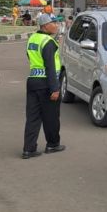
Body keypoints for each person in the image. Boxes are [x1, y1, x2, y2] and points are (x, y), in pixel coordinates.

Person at [22, 14, 65, 159]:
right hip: (46, 83)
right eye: (53, 23)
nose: (56, 25)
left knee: (32, 117)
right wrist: (55, 88)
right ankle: (53, 144)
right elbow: (50, 67)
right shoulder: (48, 42)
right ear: (45, 26)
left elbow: (29, 57)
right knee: (51, 116)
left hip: (33, 81)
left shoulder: (32, 39)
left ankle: (29, 149)